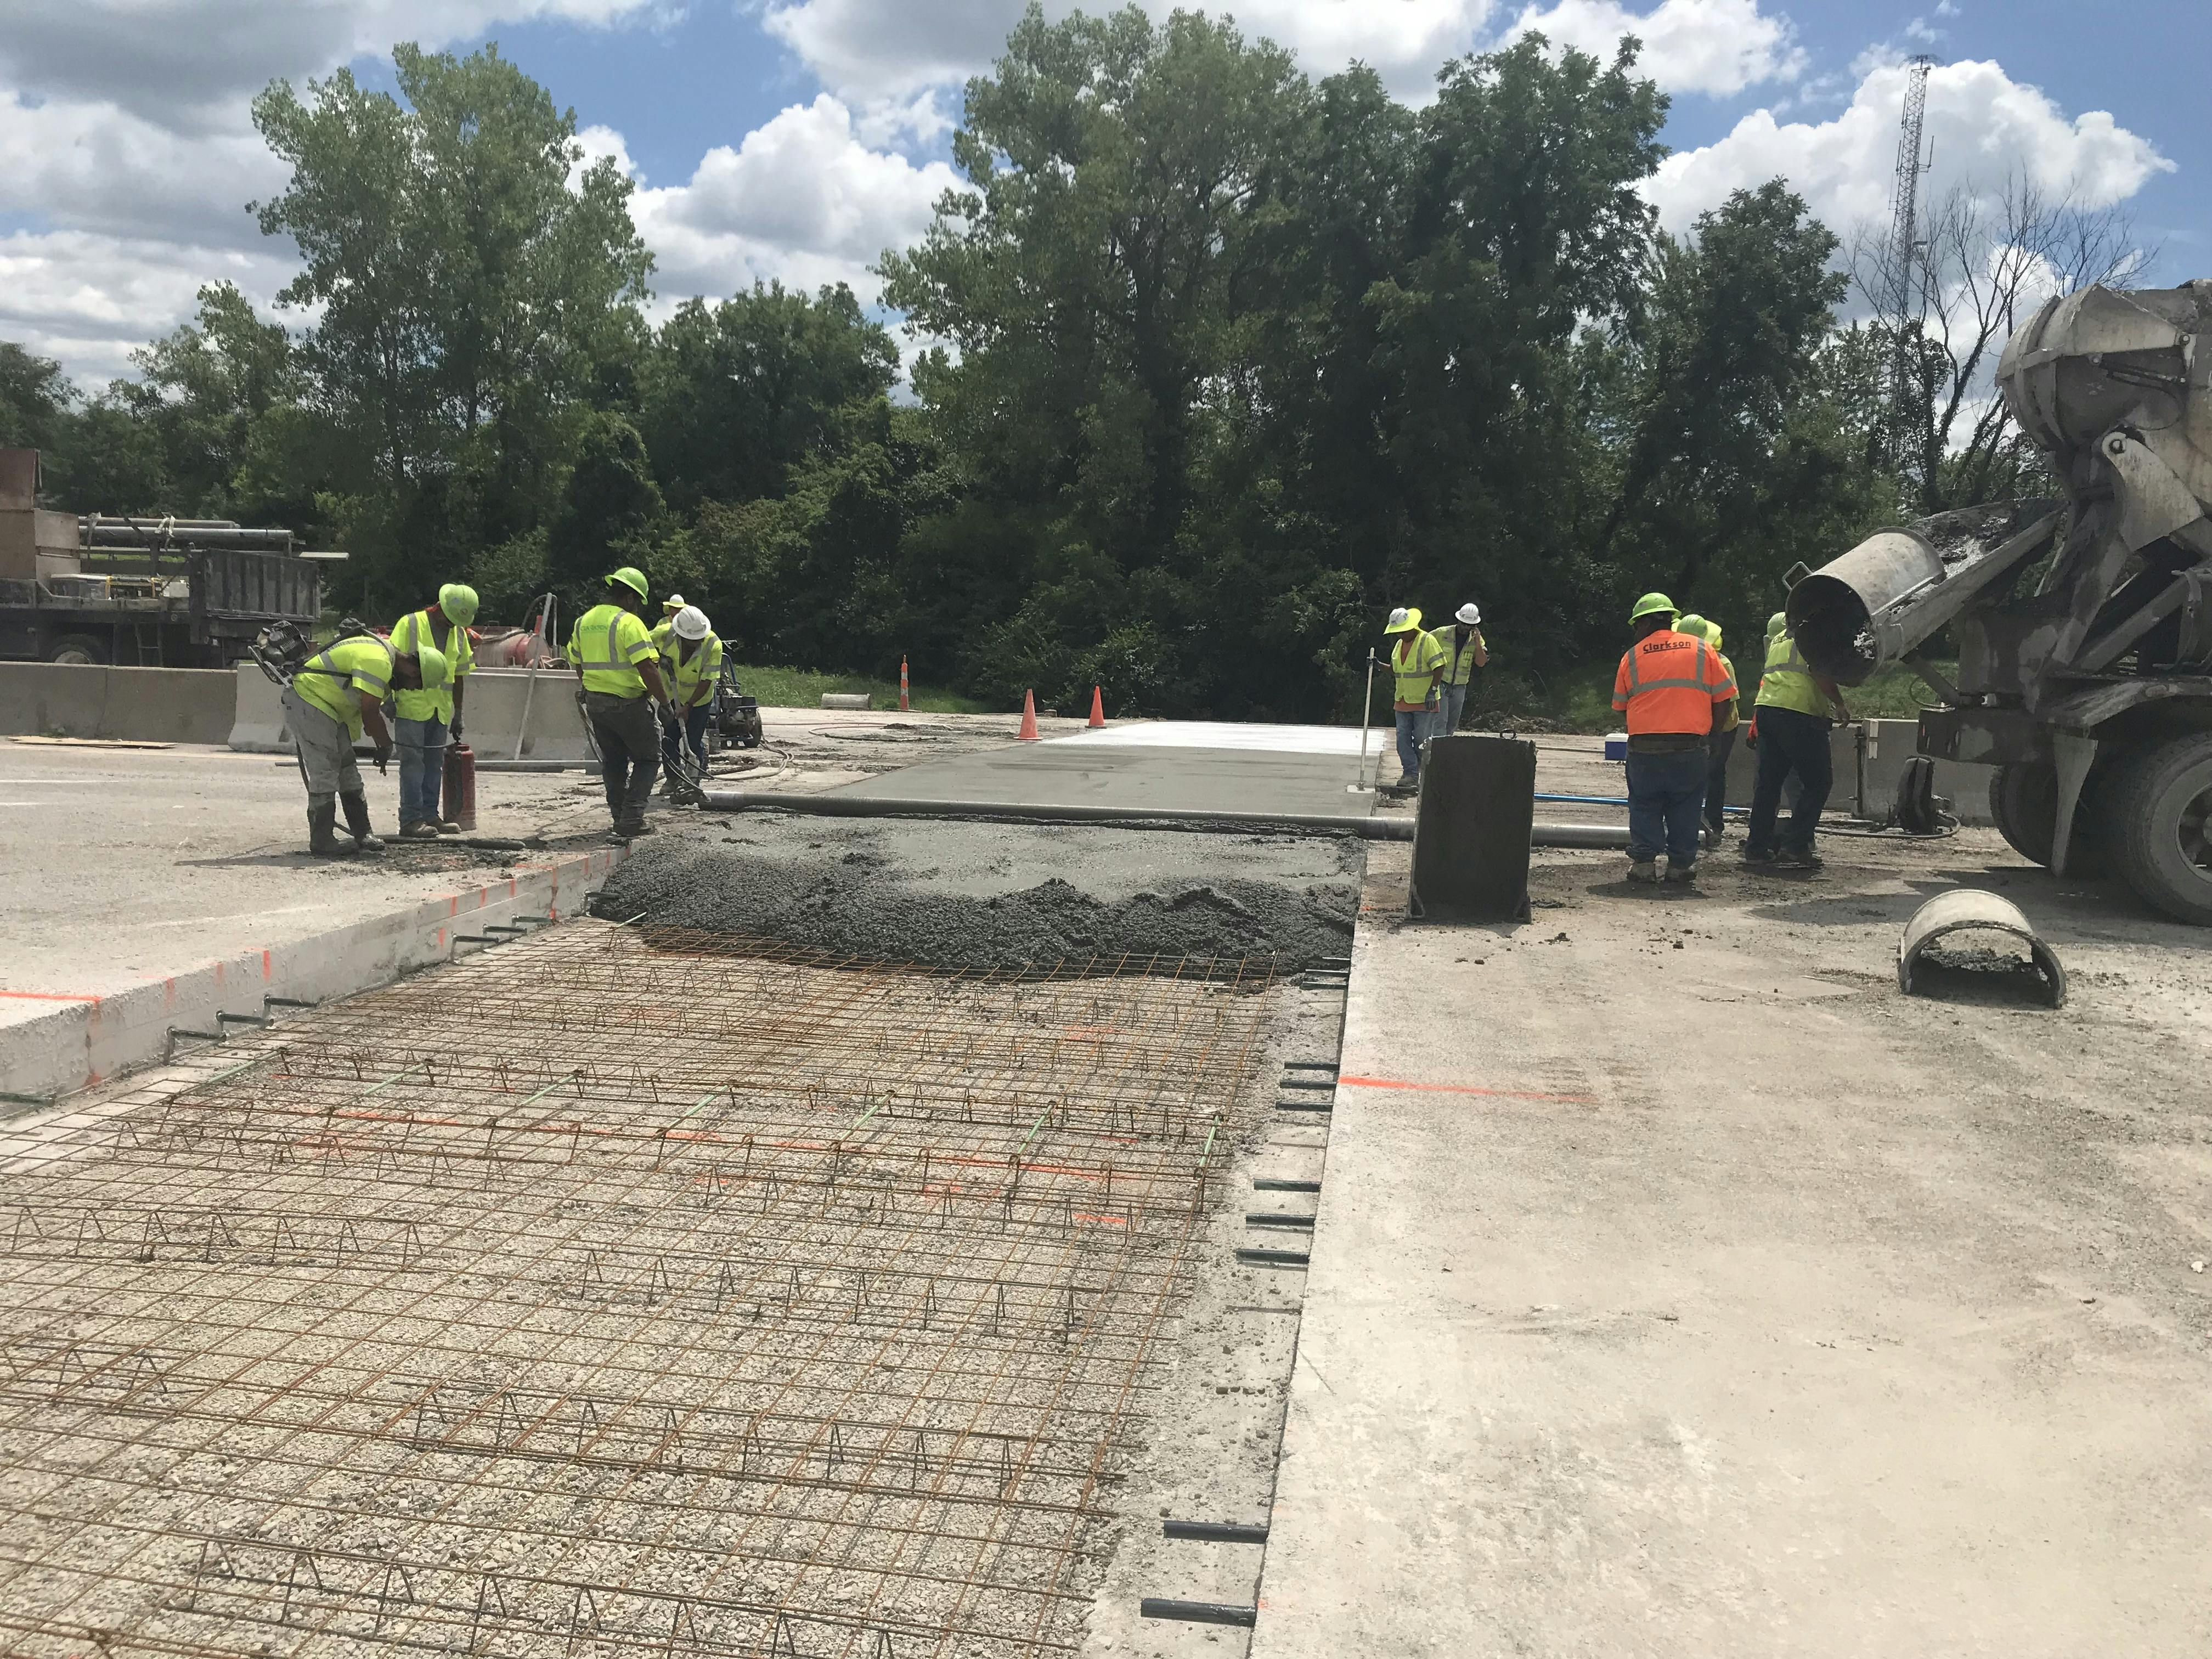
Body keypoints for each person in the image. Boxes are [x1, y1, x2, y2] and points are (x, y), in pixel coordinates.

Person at [1610, 592, 1736, 885]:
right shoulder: (1703, 650)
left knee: (1644, 804)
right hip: (1689, 747)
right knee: (1686, 806)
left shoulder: (1632, 657)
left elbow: (1621, 706)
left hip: (1645, 749)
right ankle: (1679, 867)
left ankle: (1644, 865)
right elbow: (1724, 698)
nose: (1635, 632)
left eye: (1636, 626)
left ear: (1645, 623)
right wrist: (1714, 735)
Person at [569, 567, 674, 842]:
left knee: (614, 761)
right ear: (629, 598)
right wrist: (664, 702)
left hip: (597, 704)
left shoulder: (583, 622)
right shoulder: (629, 623)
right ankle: (632, 818)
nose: (637, 608)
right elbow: (647, 668)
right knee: (648, 758)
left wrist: (591, 687)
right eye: (637, 602)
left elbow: (577, 663)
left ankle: (619, 815)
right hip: (628, 704)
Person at [1744, 609, 1852, 871]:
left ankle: (1757, 848)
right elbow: (1819, 673)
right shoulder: (1813, 635)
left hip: (1768, 710)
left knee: (1768, 785)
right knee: (1818, 782)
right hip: (1798, 713)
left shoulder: (1780, 637)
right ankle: (1796, 845)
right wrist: (1839, 703)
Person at [283, 628, 399, 857]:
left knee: (348, 772)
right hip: (310, 702)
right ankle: (322, 840)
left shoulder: (381, 657)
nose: (410, 689)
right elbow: (370, 713)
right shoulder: (379, 660)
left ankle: (363, 833)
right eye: (414, 683)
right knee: (325, 771)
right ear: (413, 668)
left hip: (328, 708)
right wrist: (385, 745)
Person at [388, 583, 477, 838]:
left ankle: (429, 815)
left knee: (433, 764)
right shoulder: (410, 624)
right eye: (449, 620)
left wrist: (458, 712)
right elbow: (390, 661)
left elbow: (459, 675)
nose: (452, 625)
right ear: (439, 608)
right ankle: (410, 820)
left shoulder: (458, 633)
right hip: (411, 706)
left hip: (440, 710)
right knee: (412, 765)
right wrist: (387, 699)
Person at [1674, 614, 1738, 847]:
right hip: (1697, 726)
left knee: (1714, 774)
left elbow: (1727, 701)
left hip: (1723, 727)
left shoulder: (1721, 662)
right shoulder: (1679, 660)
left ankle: (1714, 824)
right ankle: (1690, 822)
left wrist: (1716, 735)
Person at [1383, 607, 1446, 794]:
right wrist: (1378, 666)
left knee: (1421, 740)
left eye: (1403, 631)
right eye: (1398, 632)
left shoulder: (1427, 640)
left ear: (1412, 627)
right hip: (1403, 700)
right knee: (1402, 739)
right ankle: (1410, 773)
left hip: (1424, 701)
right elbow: (1396, 670)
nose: (1400, 635)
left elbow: (1439, 666)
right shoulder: (1399, 645)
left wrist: (1432, 691)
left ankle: (1425, 773)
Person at [660, 603, 722, 781]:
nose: (699, 642)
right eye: (694, 640)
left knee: (693, 742)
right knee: (668, 740)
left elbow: (706, 681)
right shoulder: (664, 635)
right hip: (671, 696)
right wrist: (657, 657)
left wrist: (688, 706)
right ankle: (673, 779)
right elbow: (642, 647)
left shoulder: (713, 645)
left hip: (699, 701)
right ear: (681, 635)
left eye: (700, 638)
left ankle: (693, 780)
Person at [1431, 601, 1488, 737]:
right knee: (1440, 721)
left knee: (1452, 723)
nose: (1465, 627)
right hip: (1441, 683)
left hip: (1459, 687)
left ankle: (1447, 746)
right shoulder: (1442, 633)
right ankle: (1439, 748)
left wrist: (1477, 642)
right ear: (1458, 620)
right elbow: (1424, 645)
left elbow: (1481, 662)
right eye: (1463, 624)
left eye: (1469, 625)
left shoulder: (1477, 640)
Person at [651, 592, 687, 656]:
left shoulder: (687, 623)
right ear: (670, 609)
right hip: (665, 657)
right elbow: (654, 641)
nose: (678, 611)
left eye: (680, 609)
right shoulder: (663, 622)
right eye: (675, 608)